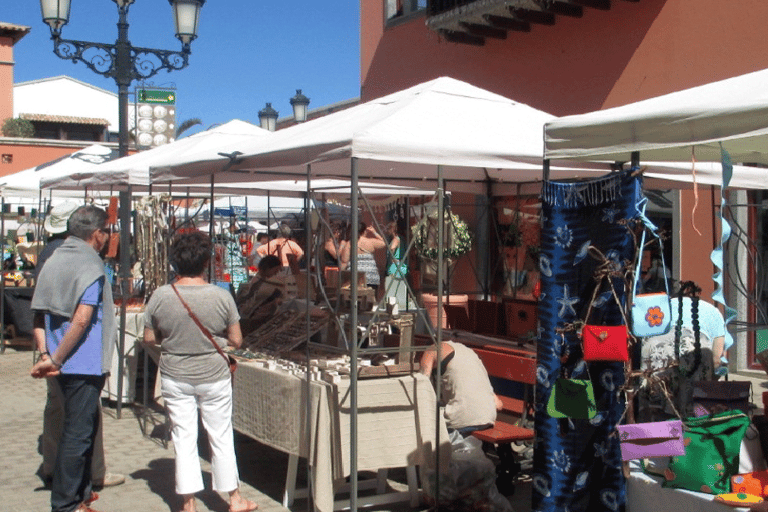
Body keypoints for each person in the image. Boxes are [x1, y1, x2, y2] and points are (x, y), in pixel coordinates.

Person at [142, 231, 256, 512]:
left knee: (183, 437)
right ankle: (234, 498)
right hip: (213, 375)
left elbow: (148, 339)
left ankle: (188, 502)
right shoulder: (221, 296)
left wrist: (172, 339)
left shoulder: (160, 296)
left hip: (175, 374)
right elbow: (237, 340)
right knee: (220, 435)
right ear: (206, 262)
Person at [30, 205, 117, 512]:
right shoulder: (90, 267)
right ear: (97, 235)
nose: (107, 237)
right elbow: (82, 320)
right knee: (77, 436)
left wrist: (46, 355)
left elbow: (38, 314)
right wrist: (56, 358)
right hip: (81, 362)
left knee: (81, 429)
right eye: (106, 231)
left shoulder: (53, 259)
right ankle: (66, 504)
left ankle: (80, 496)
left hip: (58, 361)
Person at [419, 341, 501, 436]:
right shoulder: (470, 354)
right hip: (488, 419)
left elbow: (422, 387)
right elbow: (499, 405)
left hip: (461, 420)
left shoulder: (431, 350)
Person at [235, 255, 284, 337]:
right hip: (252, 321)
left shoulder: (259, 280)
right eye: (275, 270)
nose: (276, 273)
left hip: (249, 318)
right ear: (268, 268)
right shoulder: (260, 283)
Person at [340, 221, 387, 294]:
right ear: (364, 231)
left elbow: (344, 261)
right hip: (371, 276)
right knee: (370, 299)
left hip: (355, 277)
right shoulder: (370, 242)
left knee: (353, 299)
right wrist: (374, 232)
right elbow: (383, 243)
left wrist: (340, 276)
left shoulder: (349, 244)